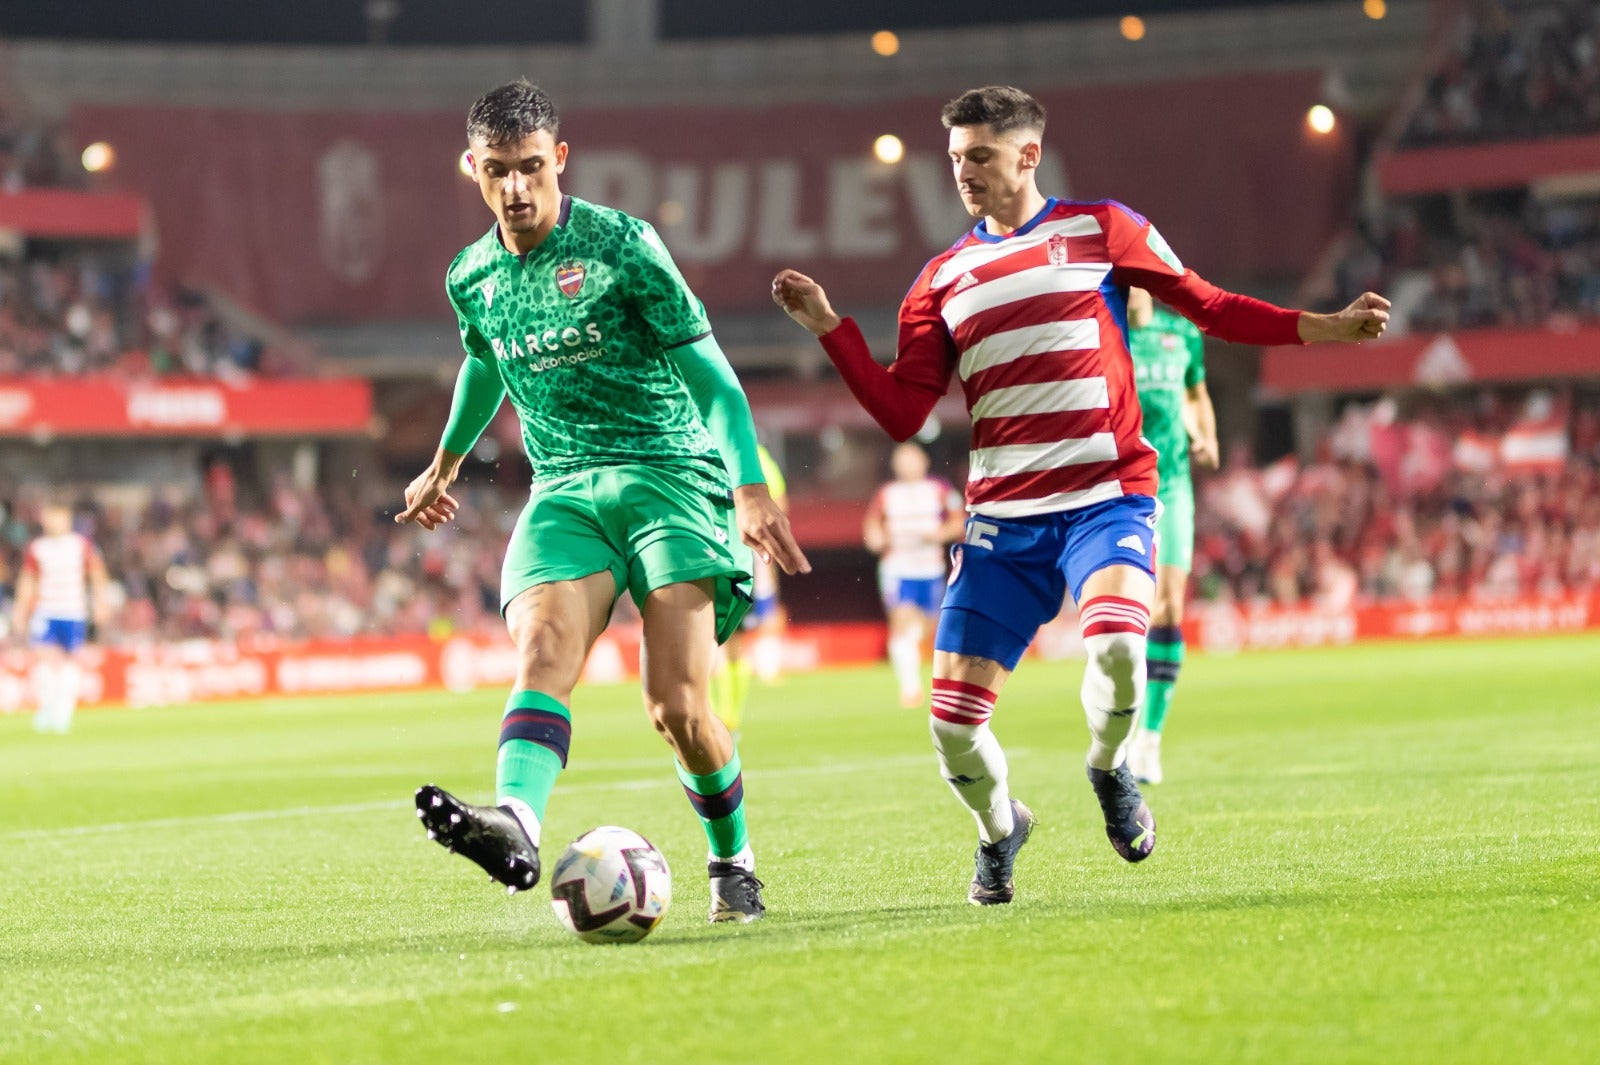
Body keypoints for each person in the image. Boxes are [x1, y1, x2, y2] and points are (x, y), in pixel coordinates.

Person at [773, 85, 1388, 905]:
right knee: (951, 723)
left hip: (1108, 497)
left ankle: (1109, 766)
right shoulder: (940, 279)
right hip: (1003, 522)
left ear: (1028, 155)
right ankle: (1001, 830)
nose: (965, 173)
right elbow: (900, 411)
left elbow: (1210, 308)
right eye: (956, 159)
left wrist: (1328, 327)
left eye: (981, 157)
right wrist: (829, 328)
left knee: (1119, 650)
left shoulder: (1102, 228)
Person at [398, 81, 808, 924]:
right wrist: (444, 464)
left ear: (561, 159)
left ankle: (733, 859)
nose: (516, 189)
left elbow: (719, 388)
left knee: (679, 709)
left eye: (532, 169)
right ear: (473, 168)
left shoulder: (625, 247)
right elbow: (487, 362)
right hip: (565, 488)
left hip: (669, 477)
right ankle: (514, 821)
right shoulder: (471, 274)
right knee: (544, 645)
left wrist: (752, 488)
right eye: (499, 172)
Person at [1123, 286, 1219, 785]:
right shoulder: (1106, 334)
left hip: (1174, 485)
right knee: (1130, 617)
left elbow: (1194, 394)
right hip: (1122, 489)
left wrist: (1208, 436)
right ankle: (1124, 728)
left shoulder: (1181, 333)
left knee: (1169, 607)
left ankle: (1150, 738)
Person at [864, 442, 964, 707]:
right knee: (901, 619)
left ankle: (910, 660)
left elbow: (958, 520)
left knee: (925, 627)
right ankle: (910, 688)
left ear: (923, 462)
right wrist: (875, 538)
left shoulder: (939, 489)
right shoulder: (887, 493)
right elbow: (872, 526)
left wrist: (938, 534)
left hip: (929, 568)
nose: (907, 465)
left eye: (912, 459)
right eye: (902, 460)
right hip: (898, 567)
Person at [11, 503, 111, 734]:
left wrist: (101, 602)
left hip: (73, 610)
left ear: (67, 518)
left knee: (70, 661)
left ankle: (64, 711)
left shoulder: (80, 545)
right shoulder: (38, 548)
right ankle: (48, 708)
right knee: (44, 658)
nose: (53, 521)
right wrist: (20, 609)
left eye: (58, 516)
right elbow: (28, 580)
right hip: (46, 610)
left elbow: (96, 572)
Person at [710, 443, 788, 739]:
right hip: (706, 552)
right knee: (709, 638)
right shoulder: (696, 446)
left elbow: (776, 502)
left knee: (732, 639)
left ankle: (728, 716)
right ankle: (713, 716)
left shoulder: (755, 455)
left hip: (743, 554)